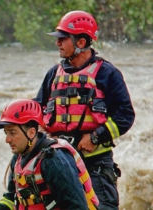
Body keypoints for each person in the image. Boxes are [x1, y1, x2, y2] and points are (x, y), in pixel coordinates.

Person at [33, 10, 135, 210]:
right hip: (60, 163)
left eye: (63, 39)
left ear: (80, 42)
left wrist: (95, 137)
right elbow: (37, 110)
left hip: (95, 163)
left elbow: (125, 115)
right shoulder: (53, 74)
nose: (57, 43)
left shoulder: (107, 73)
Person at [0, 99, 99, 210]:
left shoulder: (54, 160)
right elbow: (12, 198)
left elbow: (76, 207)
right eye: (6, 133)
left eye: (12, 132)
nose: (7, 140)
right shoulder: (18, 157)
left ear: (31, 132)